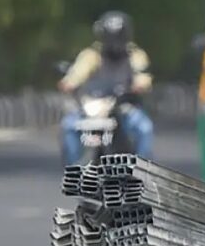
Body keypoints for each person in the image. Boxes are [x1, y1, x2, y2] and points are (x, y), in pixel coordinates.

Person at [58, 10, 154, 164]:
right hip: (93, 106)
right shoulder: (91, 55)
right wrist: (69, 83)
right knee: (69, 126)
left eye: (118, 37)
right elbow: (77, 73)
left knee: (144, 128)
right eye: (110, 37)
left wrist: (140, 85)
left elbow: (143, 75)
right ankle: (74, 169)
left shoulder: (135, 54)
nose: (114, 42)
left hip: (124, 107)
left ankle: (142, 173)